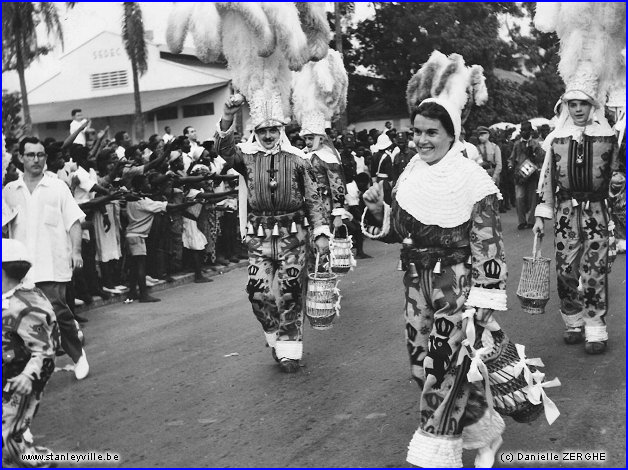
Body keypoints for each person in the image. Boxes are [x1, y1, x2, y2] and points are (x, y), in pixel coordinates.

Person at [216, 94, 330, 373]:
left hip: (294, 236)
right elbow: (222, 149)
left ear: (281, 131)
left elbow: (313, 198)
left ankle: (290, 349)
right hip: (258, 237)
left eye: (273, 130)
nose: (267, 135)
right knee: (258, 292)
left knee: (291, 292)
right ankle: (274, 331)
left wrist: (321, 231)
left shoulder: (299, 159)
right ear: (255, 132)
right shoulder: (245, 157)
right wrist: (228, 116)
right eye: (262, 130)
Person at [533, 89, 620, 355]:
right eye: (573, 104)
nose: (578, 109)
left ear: (592, 106)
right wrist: (541, 215)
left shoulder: (609, 138)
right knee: (565, 270)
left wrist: (618, 182)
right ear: (565, 106)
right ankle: (573, 320)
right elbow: (547, 179)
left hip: (597, 212)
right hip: (565, 215)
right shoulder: (556, 140)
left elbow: (618, 174)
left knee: (594, 271)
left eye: (583, 103)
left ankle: (595, 327)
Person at [3, 137, 89, 380]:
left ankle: (78, 354)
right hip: (18, 267)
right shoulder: (9, 191)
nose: (36, 159)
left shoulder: (57, 187)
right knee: (18, 317)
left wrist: (76, 252)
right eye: (30, 155)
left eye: (40, 155)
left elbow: (74, 222)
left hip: (51, 263)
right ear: (20, 157)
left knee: (57, 312)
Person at [2, 239, 59, 466]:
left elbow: (46, 349)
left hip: (19, 382)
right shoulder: (6, 298)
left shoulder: (28, 305)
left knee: (6, 434)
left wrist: (28, 376)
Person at [508, 121, 545, 229]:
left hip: (533, 175)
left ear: (531, 131)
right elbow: (511, 158)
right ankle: (521, 221)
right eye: (522, 130)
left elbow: (541, 157)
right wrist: (510, 166)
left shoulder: (535, 143)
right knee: (519, 197)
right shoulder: (517, 144)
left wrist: (535, 153)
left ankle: (531, 221)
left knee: (534, 198)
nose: (524, 132)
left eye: (526, 130)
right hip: (520, 175)